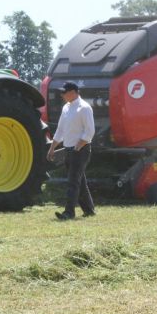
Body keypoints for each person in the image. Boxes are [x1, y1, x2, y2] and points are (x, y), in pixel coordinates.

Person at [47, 81, 96, 220]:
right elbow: (60, 130)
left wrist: (77, 147)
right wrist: (52, 148)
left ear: (73, 92)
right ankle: (89, 210)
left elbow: (89, 132)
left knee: (73, 182)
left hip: (81, 150)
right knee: (79, 181)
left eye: (64, 92)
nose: (62, 94)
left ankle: (69, 212)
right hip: (69, 150)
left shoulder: (84, 108)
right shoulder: (66, 108)